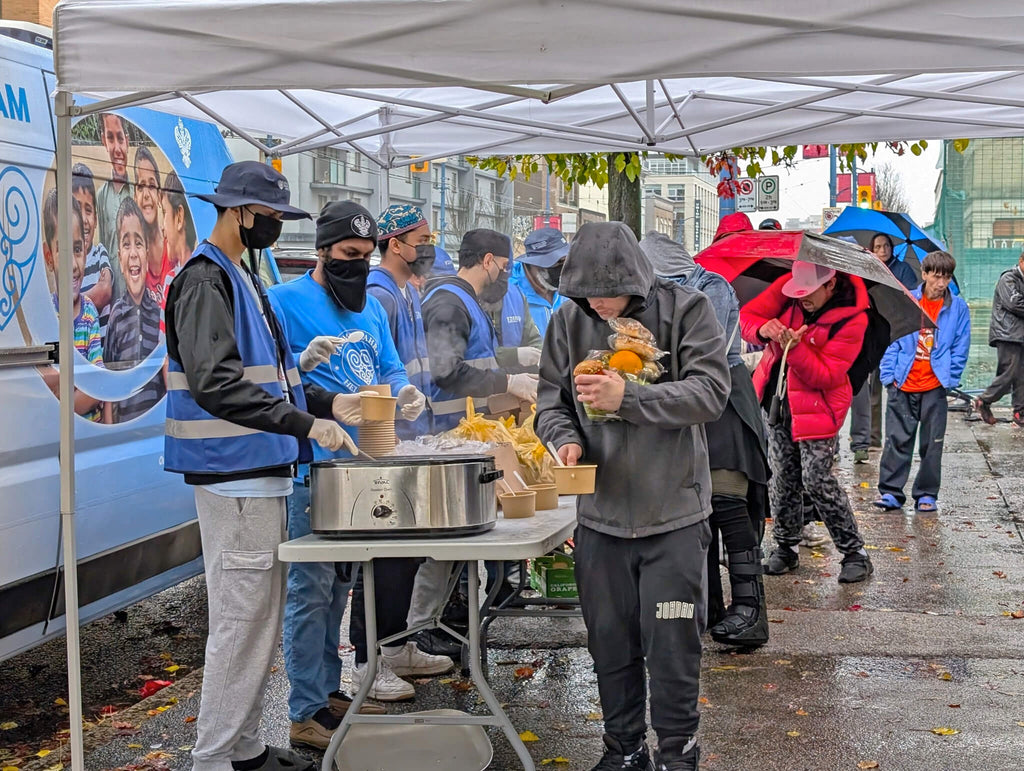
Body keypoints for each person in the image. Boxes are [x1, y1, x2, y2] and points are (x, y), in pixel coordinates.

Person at [164, 160, 356, 771]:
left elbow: (265, 380)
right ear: (240, 212)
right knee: (242, 624)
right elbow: (217, 383)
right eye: (271, 216)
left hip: (255, 476)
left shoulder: (238, 274)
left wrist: (328, 402)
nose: (275, 226)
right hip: (234, 478)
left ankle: (242, 746)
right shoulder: (204, 280)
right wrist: (307, 424)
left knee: (256, 622)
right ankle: (218, 757)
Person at [537, 221, 730, 771]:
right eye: (585, 293)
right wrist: (564, 440)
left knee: (672, 646)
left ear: (635, 279)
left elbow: (710, 393)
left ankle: (678, 751)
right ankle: (623, 750)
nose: (597, 304)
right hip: (600, 518)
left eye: (606, 292)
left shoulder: (687, 310)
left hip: (673, 514)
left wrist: (630, 397)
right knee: (609, 644)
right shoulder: (568, 322)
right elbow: (551, 404)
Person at [268, 200, 442, 746]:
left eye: (366, 256)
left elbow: (388, 365)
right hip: (314, 467)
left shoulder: (370, 308)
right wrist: (312, 382)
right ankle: (303, 710)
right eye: (347, 254)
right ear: (322, 251)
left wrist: (403, 391)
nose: (357, 265)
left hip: (365, 466)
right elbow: (270, 381)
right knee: (310, 590)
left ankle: (325, 691)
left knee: (341, 587)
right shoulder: (283, 302)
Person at [640, 231, 770, 649]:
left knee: (729, 504)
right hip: (686, 410)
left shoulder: (709, 287)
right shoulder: (650, 300)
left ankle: (751, 610)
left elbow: (701, 351)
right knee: (698, 515)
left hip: (724, 404)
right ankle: (710, 607)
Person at [741, 260, 874, 584]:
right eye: (797, 291)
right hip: (777, 399)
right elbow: (747, 317)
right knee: (783, 477)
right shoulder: (789, 289)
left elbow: (827, 375)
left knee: (816, 478)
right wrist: (765, 329)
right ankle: (785, 548)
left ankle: (854, 552)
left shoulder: (854, 318)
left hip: (819, 406)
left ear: (830, 284)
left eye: (809, 292)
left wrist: (795, 349)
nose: (801, 298)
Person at [874, 251, 970, 512]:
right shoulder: (908, 300)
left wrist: (949, 378)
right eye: (937, 276)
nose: (941, 283)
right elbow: (892, 338)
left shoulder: (957, 307)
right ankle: (891, 492)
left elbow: (961, 346)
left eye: (947, 277)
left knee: (932, 444)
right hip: (903, 381)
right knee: (896, 440)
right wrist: (888, 375)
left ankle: (927, 494)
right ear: (925, 274)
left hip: (935, 385)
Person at [422, 228, 538, 431]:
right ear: (487, 261)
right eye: (503, 266)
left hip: (467, 427)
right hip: (449, 429)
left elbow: (480, 359)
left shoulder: (468, 301)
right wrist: (508, 382)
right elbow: (447, 372)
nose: (504, 274)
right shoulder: (450, 304)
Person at [39, 190, 110, 423]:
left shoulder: (89, 313)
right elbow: (43, 385)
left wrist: (64, 394)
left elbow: (97, 384)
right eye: (64, 250)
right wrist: (79, 386)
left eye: (77, 249)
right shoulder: (47, 315)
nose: (73, 265)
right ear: (49, 257)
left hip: (90, 435)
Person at [849, 233, 920, 462]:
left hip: (894, 334)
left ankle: (879, 438)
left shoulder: (903, 271)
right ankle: (870, 438)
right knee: (867, 391)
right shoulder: (866, 269)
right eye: (878, 246)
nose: (883, 250)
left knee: (887, 386)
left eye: (886, 246)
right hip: (868, 334)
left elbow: (907, 298)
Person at [366, 204, 434, 439]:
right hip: (394, 431)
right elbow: (373, 373)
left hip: (416, 427)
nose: (428, 249)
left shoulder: (410, 292)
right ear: (395, 245)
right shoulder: (379, 295)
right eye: (422, 240)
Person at [103, 198, 166, 423]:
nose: (133, 253)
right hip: (125, 430)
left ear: (147, 255)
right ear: (119, 259)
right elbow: (109, 380)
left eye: (138, 243)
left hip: (155, 428)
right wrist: (110, 433)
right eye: (126, 244)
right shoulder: (116, 317)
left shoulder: (160, 314)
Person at [975, 250, 1024, 427]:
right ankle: (984, 400)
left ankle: (1020, 412)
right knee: (1010, 373)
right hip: (1008, 333)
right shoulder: (1008, 279)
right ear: (1021, 261)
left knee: (1021, 375)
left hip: (1019, 335)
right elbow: (1014, 303)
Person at [72, 162, 113, 339]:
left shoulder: (99, 253)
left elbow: (104, 292)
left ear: (96, 219)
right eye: (75, 209)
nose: (83, 219)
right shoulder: (66, 262)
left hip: (100, 356)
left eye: (88, 210)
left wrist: (71, 303)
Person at [95, 112, 133, 293]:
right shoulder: (100, 197)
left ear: (127, 141)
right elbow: (102, 248)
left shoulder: (139, 193)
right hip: (114, 304)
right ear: (104, 141)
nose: (117, 148)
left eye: (120, 138)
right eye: (111, 138)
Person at [511, 226, 567, 336]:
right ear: (533, 264)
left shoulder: (572, 290)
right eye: (557, 262)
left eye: (566, 261)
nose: (563, 269)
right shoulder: (509, 294)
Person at [133, 146, 169, 295]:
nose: (146, 194)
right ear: (135, 196)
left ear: (160, 195)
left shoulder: (173, 246)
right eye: (141, 186)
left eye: (152, 186)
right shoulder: (133, 256)